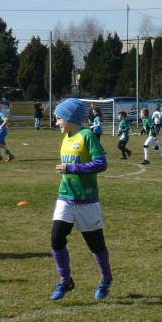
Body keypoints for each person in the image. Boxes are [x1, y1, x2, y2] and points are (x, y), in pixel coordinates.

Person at [49, 98, 113, 301]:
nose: (57, 122)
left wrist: (72, 168)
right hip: (65, 197)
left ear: (69, 117)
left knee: (95, 245)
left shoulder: (87, 135)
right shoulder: (66, 137)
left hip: (87, 200)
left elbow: (101, 164)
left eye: (59, 118)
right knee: (57, 239)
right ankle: (66, 281)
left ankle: (106, 280)